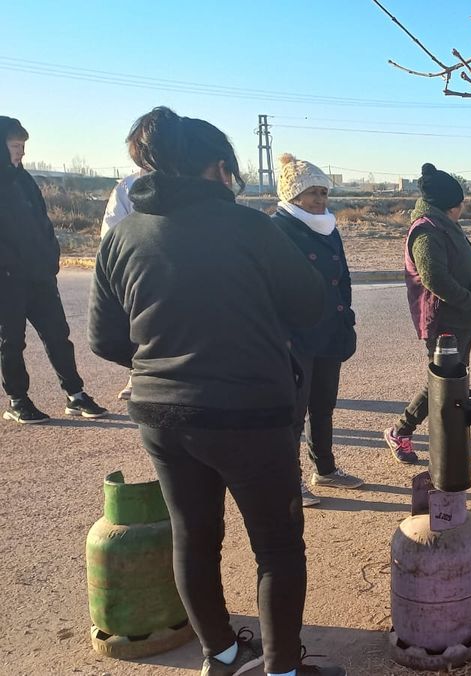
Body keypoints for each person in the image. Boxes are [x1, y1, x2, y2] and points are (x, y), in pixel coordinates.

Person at [88, 107, 344, 676]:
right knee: (277, 547)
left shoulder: (123, 235)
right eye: (229, 170)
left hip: (161, 413)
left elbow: (105, 339)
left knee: (193, 536)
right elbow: (309, 306)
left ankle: (222, 656)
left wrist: (165, 362)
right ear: (216, 168)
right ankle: (281, 670)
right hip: (251, 412)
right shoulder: (252, 228)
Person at [385, 163, 471, 464]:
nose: (462, 209)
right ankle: (400, 431)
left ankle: (454, 437)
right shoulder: (426, 231)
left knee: (455, 381)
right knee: (441, 383)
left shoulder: (443, 224)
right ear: (449, 205)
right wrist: (468, 301)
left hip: (461, 319)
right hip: (445, 320)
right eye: (459, 204)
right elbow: (434, 277)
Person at [0, 116, 107, 424]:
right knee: (11, 342)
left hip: (39, 276)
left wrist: (51, 259)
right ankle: (17, 400)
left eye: (23, 146)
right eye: (15, 146)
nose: (21, 152)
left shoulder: (25, 180)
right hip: (7, 280)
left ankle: (75, 396)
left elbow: (43, 225)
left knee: (58, 335)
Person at [271, 153, 363, 508]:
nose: (320, 200)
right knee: (294, 411)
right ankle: (289, 481)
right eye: (313, 193)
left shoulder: (328, 226)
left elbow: (343, 276)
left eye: (323, 192)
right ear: (293, 195)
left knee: (323, 405)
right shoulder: (278, 229)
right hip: (295, 335)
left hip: (329, 328)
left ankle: (325, 469)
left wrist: (346, 311)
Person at [103, 108, 172, 401]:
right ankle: (139, 373)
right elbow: (111, 234)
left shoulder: (196, 185)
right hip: (144, 272)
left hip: (180, 270)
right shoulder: (127, 187)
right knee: (142, 327)